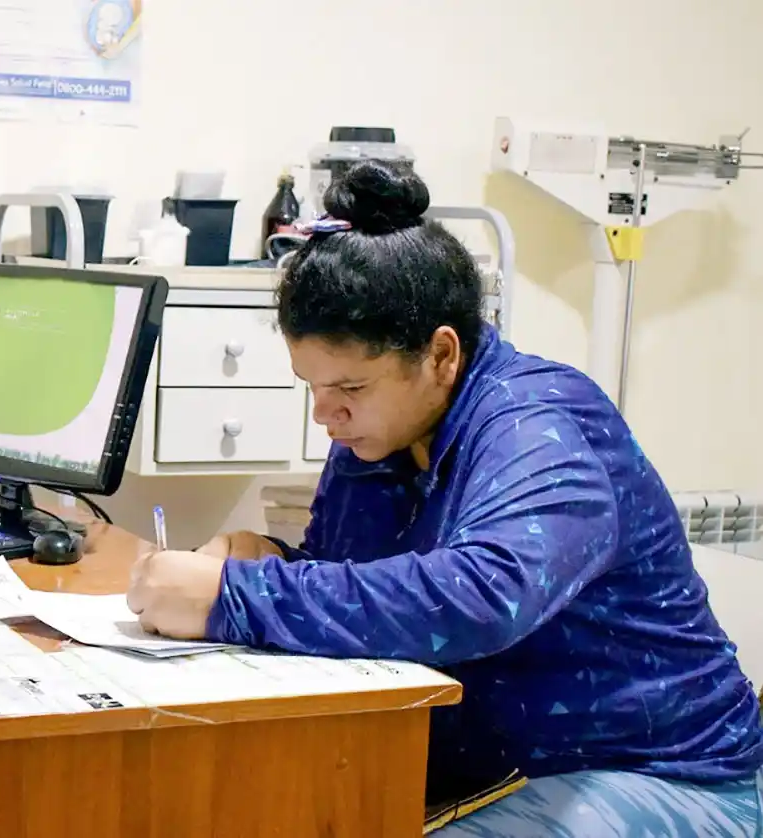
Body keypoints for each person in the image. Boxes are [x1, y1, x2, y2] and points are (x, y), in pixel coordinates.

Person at [126, 160, 763, 835]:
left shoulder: (539, 424)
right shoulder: (385, 431)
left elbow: (485, 597)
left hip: (662, 777)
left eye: (349, 390)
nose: (325, 416)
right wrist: (271, 561)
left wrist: (236, 596)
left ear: (441, 355)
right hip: (493, 773)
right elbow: (370, 587)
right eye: (311, 387)